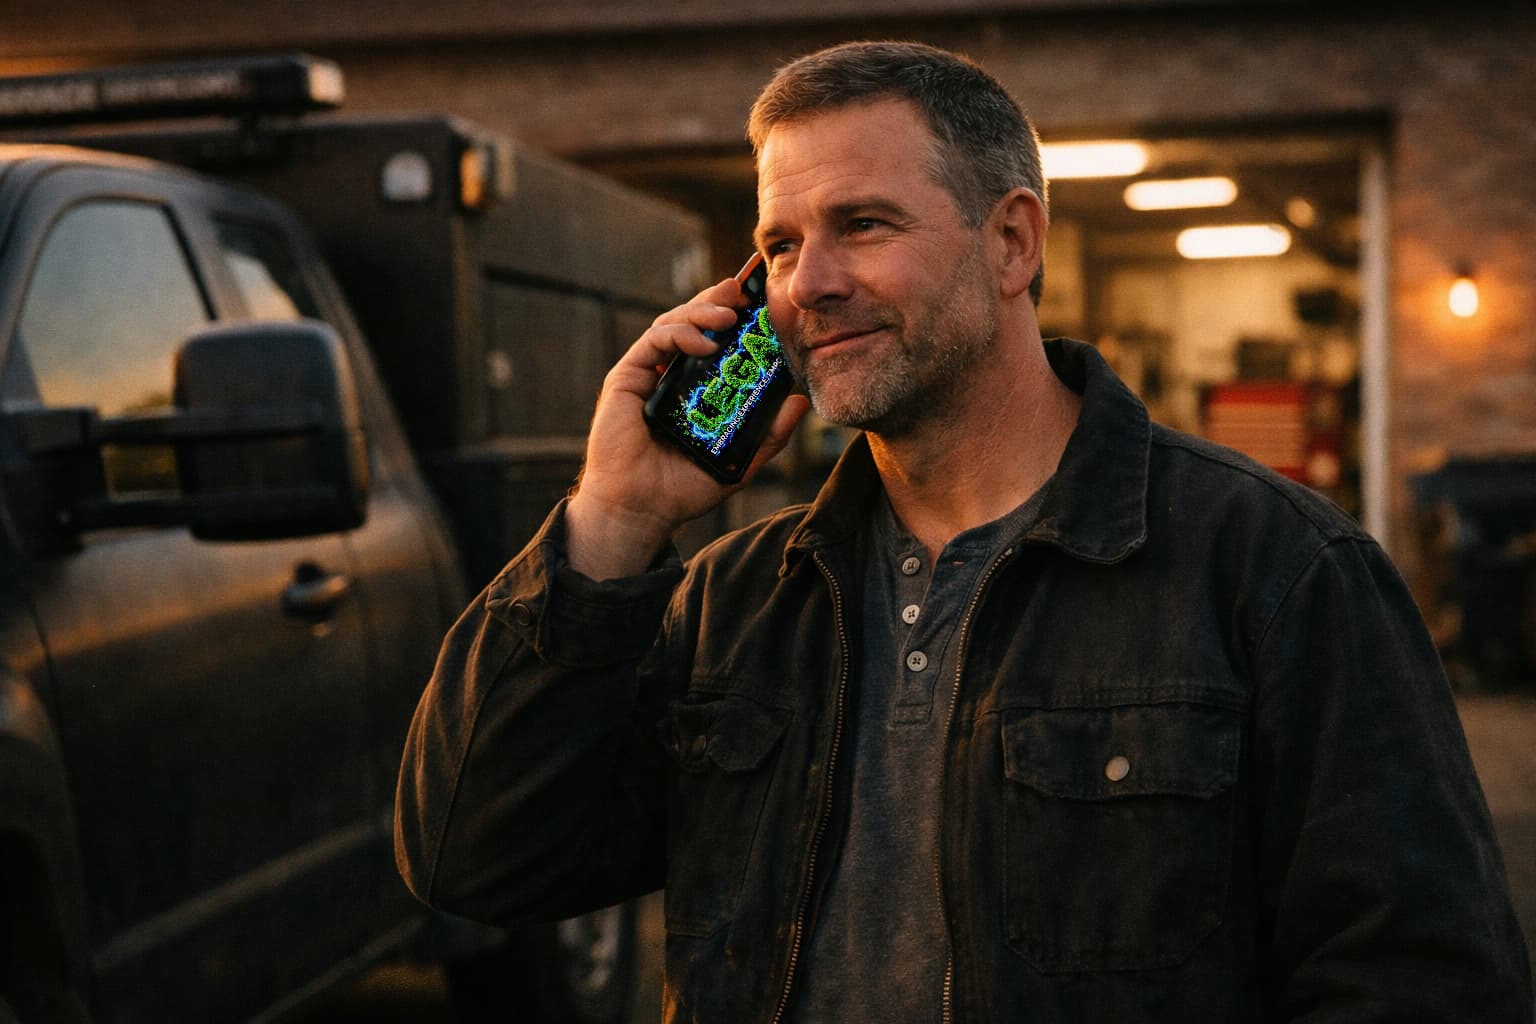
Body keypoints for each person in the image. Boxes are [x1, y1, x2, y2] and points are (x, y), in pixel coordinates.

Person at [395, 40, 1532, 1022]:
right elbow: (470, 855)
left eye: (863, 224)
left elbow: (1421, 979)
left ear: (1012, 245)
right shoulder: (737, 599)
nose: (808, 285)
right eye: (780, 245)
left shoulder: (1279, 572)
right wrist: (616, 516)